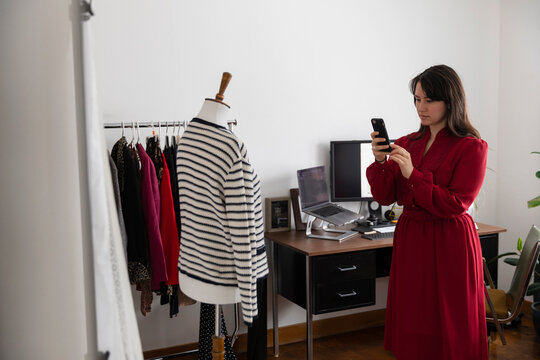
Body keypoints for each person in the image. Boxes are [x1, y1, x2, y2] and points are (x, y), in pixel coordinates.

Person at [367, 64, 488, 360]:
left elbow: (456, 203)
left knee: (451, 317)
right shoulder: (407, 143)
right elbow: (385, 197)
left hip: (451, 239)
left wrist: (411, 173)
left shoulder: (472, 147)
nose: (421, 107)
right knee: (414, 313)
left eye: (429, 100)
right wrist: (381, 162)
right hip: (412, 237)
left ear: (450, 101)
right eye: (417, 99)